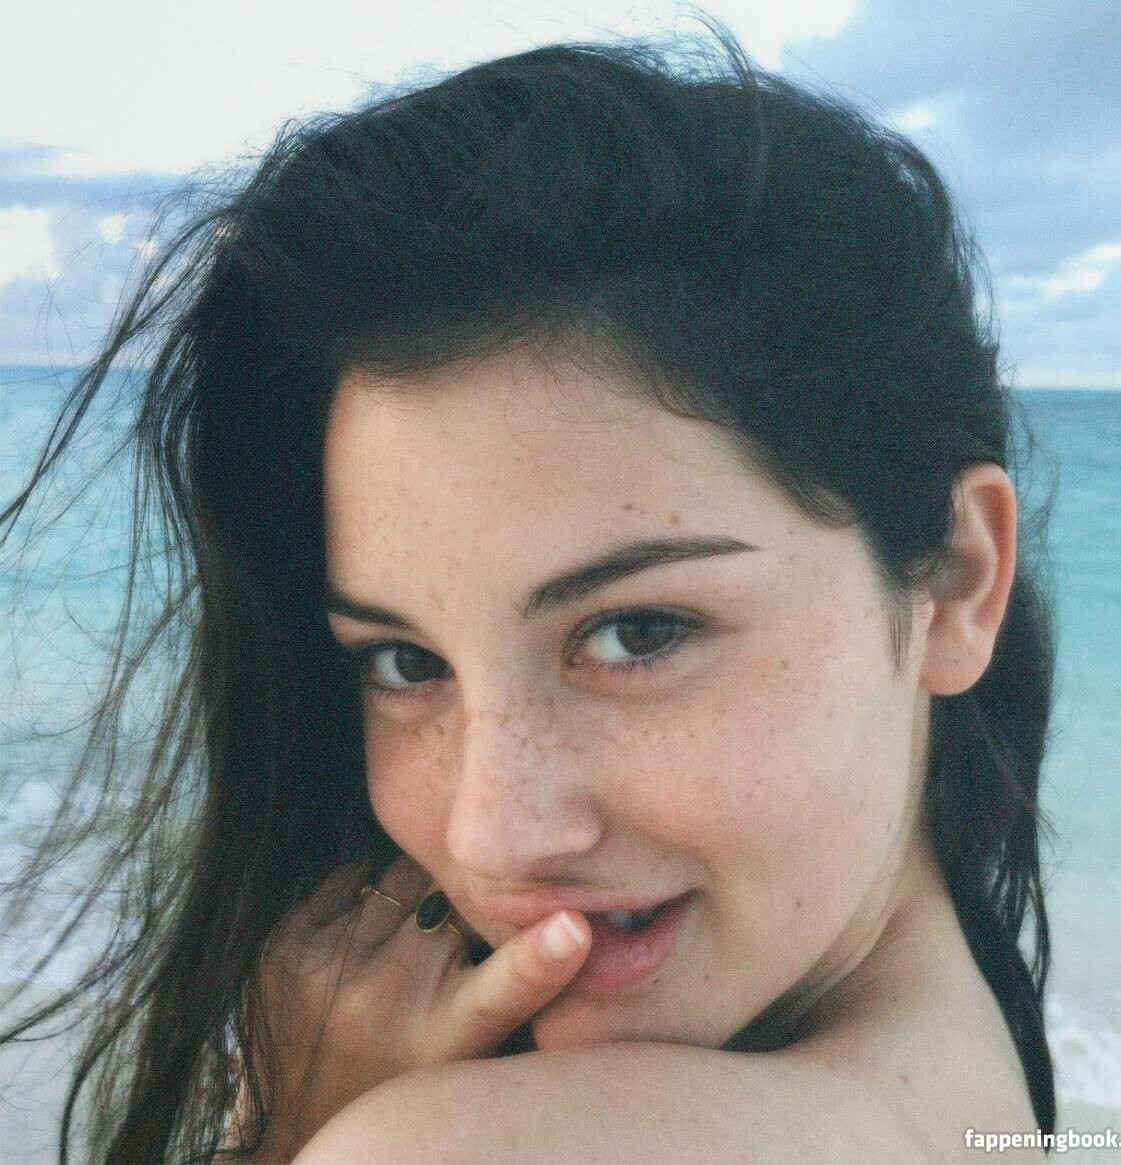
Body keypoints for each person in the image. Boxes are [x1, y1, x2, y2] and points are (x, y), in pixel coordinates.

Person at [0, 19, 1059, 1164]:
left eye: (638, 633)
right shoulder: (983, 1089)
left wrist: (296, 1125)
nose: (492, 832)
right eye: (405, 663)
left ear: (959, 579)